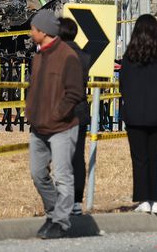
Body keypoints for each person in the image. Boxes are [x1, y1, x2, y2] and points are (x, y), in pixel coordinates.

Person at [25, 9, 85, 239]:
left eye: (33, 29)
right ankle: (53, 212)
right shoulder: (39, 56)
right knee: (38, 173)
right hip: (38, 127)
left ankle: (61, 221)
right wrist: (31, 112)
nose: (31, 33)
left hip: (62, 127)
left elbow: (74, 93)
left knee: (62, 176)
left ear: (43, 31)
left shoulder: (68, 56)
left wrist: (57, 114)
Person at [119, 14, 157, 214]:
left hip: (134, 115)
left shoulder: (129, 57)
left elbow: (123, 85)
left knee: (139, 158)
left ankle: (143, 199)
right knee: (155, 157)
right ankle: (155, 199)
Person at [57, 17, 91, 216]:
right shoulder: (84, 55)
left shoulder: (58, 55)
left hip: (61, 112)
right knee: (78, 157)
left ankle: (63, 197)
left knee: (61, 157)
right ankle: (77, 201)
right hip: (80, 111)